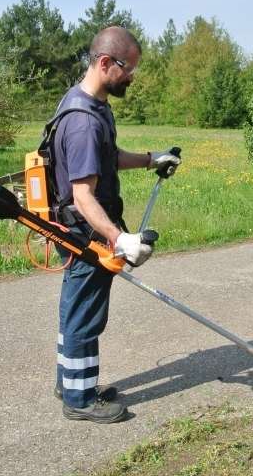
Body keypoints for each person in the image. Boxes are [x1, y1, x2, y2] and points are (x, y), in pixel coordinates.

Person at [46, 26, 181, 424]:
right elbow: (83, 196)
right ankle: (80, 400)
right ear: (105, 63)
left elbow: (107, 156)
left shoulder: (89, 103)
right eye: (128, 68)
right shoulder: (83, 121)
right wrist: (120, 238)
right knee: (85, 313)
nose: (132, 76)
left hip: (83, 228)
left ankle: (72, 382)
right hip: (85, 230)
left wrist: (150, 158)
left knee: (78, 308)